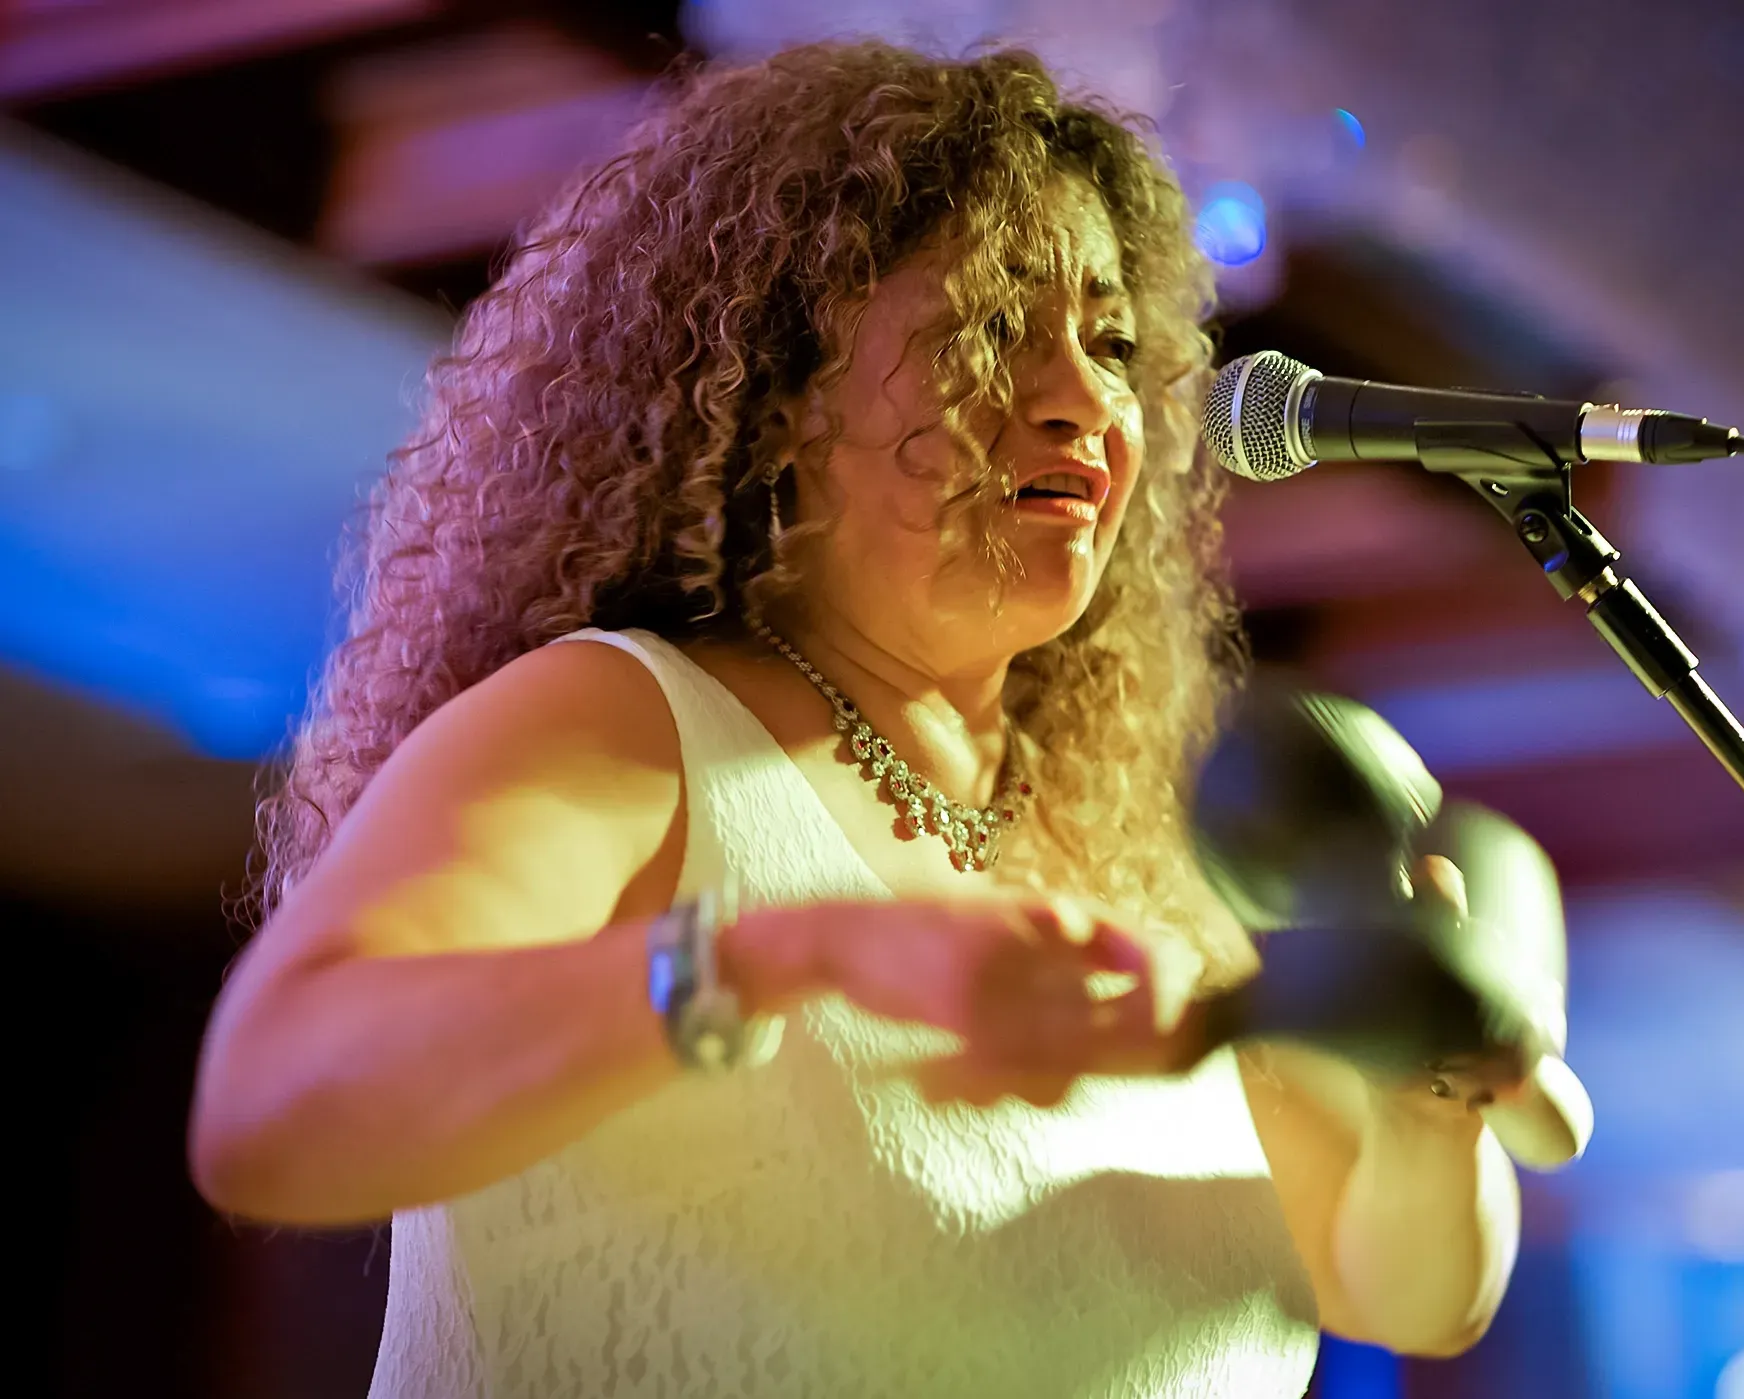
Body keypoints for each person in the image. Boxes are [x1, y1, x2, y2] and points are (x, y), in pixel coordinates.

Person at [188, 42, 1536, 1397]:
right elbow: (270, 1107)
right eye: (994, 328)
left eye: (1113, 342)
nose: (1082, 398)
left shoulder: (1150, 860)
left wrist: (1429, 1098)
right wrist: (795, 954)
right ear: (781, 397)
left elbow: (1402, 1291)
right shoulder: (622, 724)